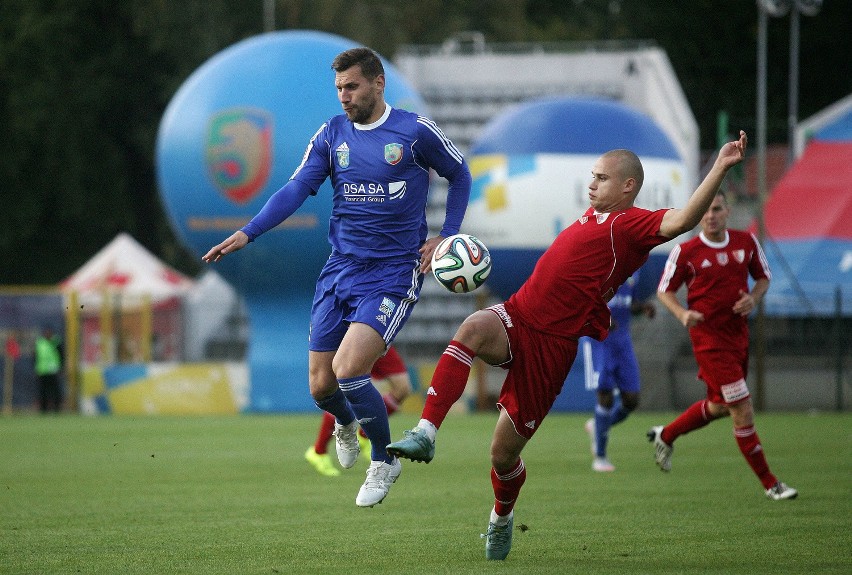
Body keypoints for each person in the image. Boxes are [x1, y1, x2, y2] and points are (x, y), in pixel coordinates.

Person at [387, 131, 749, 560]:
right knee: (471, 328)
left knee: (502, 456)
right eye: (591, 177)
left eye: (601, 178)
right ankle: (426, 431)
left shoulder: (630, 225)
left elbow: (685, 218)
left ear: (628, 187)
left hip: (551, 349)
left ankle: (501, 518)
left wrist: (721, 166)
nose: (591, 184)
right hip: (518, 316)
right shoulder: (592, 216)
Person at [203, 47, 471, 508]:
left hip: (392, 272)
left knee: (349, 370)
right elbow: (297, 187)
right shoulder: (331, 135)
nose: (344, 96)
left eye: (352, 86)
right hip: (340, 270)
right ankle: (345, 423)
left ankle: (384, 461)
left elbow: (460, 174)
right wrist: (250, 232)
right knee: (321, 385)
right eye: (339, 89)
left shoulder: (413, 132)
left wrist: (446, 238)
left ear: (377, 83)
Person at [649, 191, 797, 501]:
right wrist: (682, 313)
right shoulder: (686, 251)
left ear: (727, 211)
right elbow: (665, 291)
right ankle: (771, 484)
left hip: (738, 338)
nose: (711, 215)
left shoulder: (745, 242)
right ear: (698, 214)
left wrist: (753, 298)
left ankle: (666, 434)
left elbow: (763, 278)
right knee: (742, 408)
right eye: (705, 210)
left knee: (720, 406)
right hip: (709, 341)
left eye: (717, 209)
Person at [582, 270, 655, 472]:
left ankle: (598, 426)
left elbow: (629, 303)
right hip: (599, 339)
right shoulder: (599, 263)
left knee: (631, 401)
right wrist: (601, 318)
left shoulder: (635, 268)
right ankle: (601, 457)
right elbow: (582, 300)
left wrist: (642, 308)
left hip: (622, 341)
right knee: (605, 394)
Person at [305, 346, 411, 476]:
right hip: (352, 337)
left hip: (378, 336)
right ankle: (318, 451)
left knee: (402, 388)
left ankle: (364, 435)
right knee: (343, 393)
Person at [34, 326, 63, 412]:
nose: (48, 334)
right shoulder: (40, 343)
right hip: (42, 370)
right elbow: (35, 356)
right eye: (46, 332)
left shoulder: (56, 342)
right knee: (43, 390)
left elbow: (61, 356)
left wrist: (61, 367)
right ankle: (44, 409)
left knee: (55, 390)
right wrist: (36, 368)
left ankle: (56, 409)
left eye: (49, 332)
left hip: (53, 370)